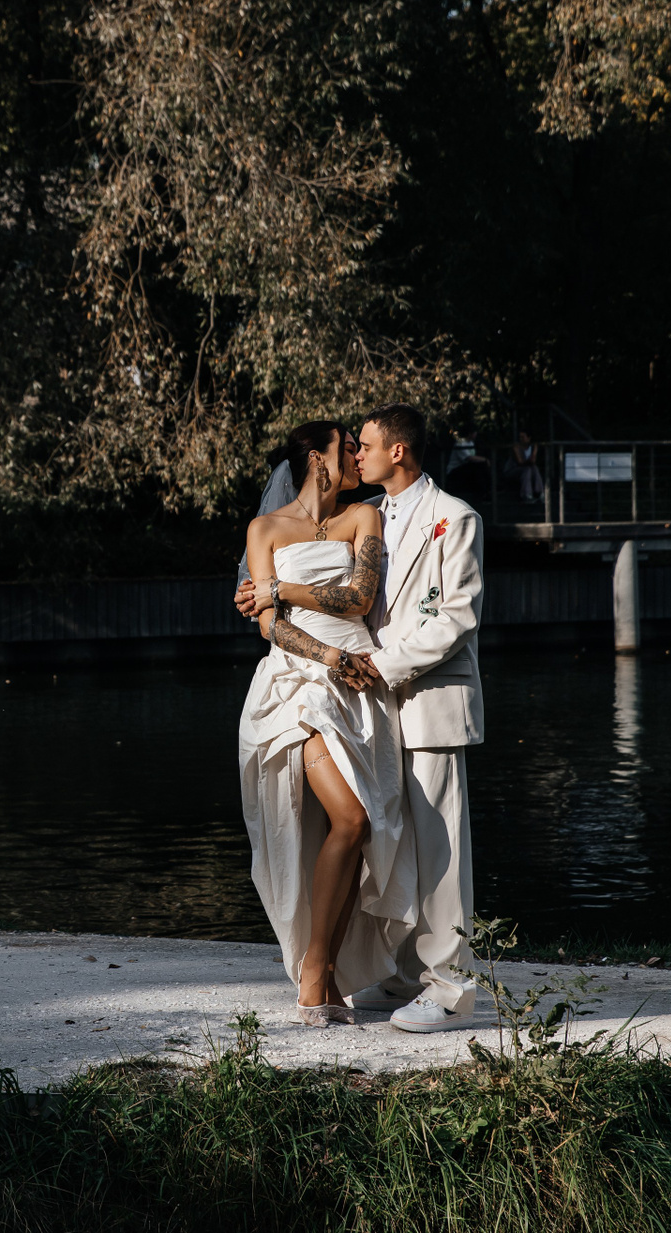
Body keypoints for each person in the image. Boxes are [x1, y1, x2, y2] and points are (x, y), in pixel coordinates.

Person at [238, 404, 485, 1034]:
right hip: (352, 691)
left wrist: (372, 664)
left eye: (365, 445)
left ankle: (449, 989)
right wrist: (278, 610)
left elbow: (454, 617)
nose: (358, 454)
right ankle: (402, 973)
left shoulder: (453, 516)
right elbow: (276, 615)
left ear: (396, 451)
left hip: (413, 691)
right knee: (392, 841)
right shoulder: (365, 511)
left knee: (439, 847)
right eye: (350, 447)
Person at [237, 422, 416, 1026]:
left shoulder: (363, 517)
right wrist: (328, 656)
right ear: (318, 460)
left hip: (360, 684)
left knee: (362, 829)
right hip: (301, 682)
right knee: (352, 816)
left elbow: (361, 597)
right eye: (347, 449)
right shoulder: (264, 529)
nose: (357, 458)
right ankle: (313, 972)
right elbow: (268, 626)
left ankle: (331, 974)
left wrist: (278, 588)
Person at [503, 429, 544, 502]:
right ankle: (527, 495)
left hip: (528, 469)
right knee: (527, 469)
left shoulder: (532, 447)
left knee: (534, 468)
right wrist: (530, 460)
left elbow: (533, 461)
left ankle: (539, 492)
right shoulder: (516, 447)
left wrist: (535, 451)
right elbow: (520, 462)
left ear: (529, 438)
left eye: (523, 437)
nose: (521, 439)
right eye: (520, 437)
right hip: (513, 470)